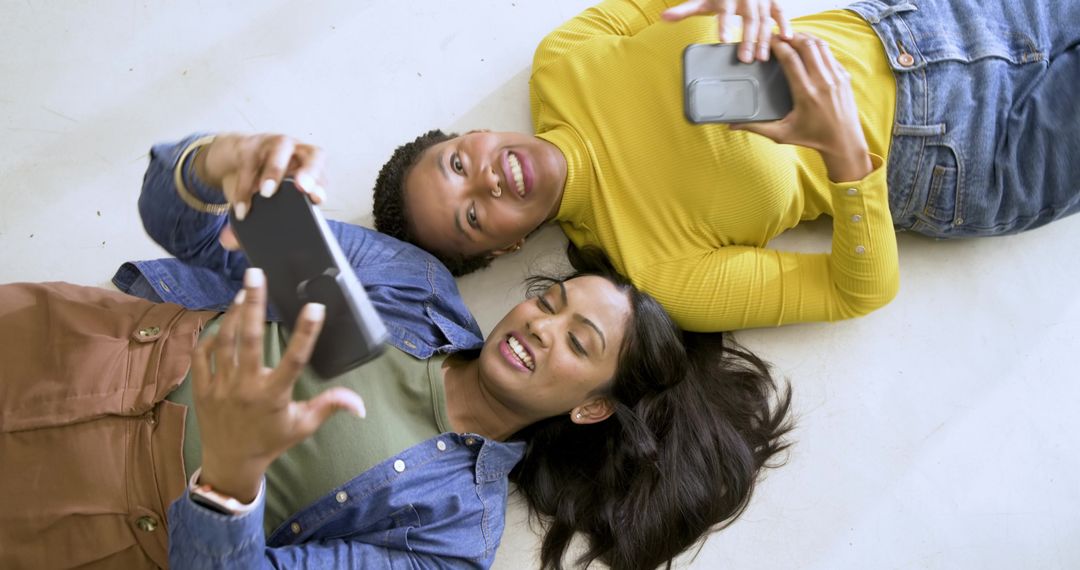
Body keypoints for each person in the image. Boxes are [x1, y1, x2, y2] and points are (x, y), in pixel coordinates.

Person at [0, 133, 794, 570]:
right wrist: (213, 165)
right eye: (547, 300)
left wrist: (234, 480)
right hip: (76, 349)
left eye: (577, 342)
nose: (540, 326)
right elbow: (189, 227)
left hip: (85, 518)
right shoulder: (410, 294)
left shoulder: (448, 539)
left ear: (590, 406)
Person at [372, 0, 1080, 332]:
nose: (486, 180)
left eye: (459, 162)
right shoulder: (657, 273)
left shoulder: (563, 59)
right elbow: (857, 292)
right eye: (472, 215)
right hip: (963, 157)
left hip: (931, 23)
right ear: (505, 245)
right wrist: (843, 153)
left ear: (476, 133)